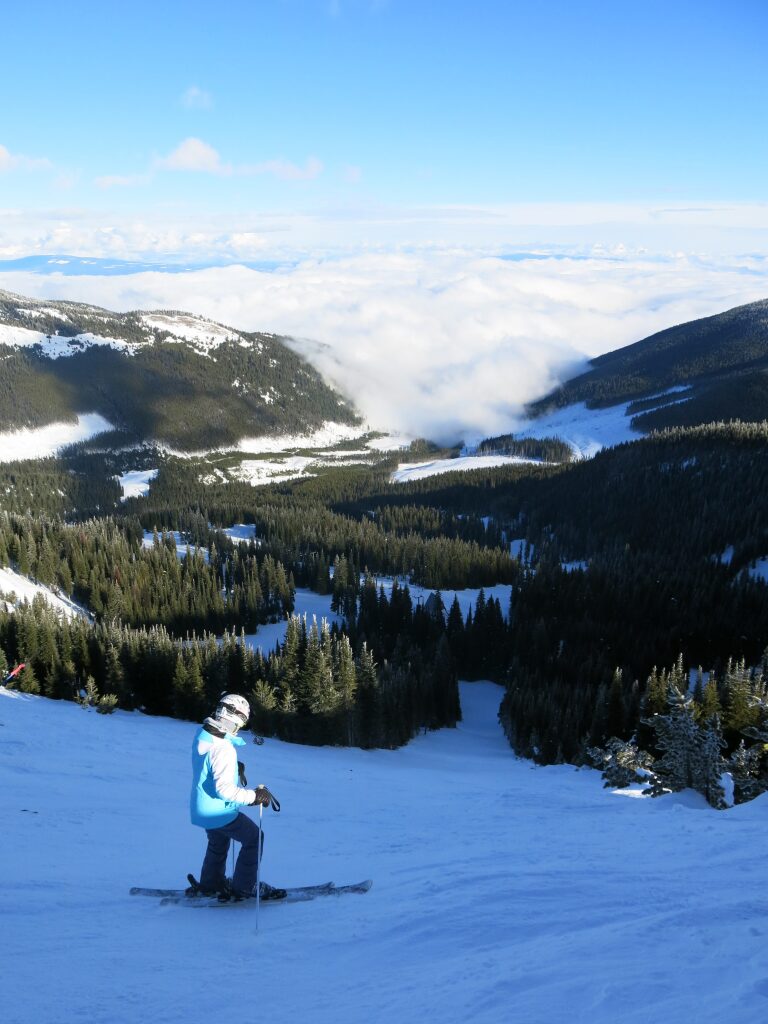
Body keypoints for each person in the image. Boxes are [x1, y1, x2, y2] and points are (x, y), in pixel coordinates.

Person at [190, 693, 284, 901]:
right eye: (241, 722)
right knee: (254, 838)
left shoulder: (203, 736)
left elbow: (209, 765)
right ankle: (245, 887)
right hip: (218, 810)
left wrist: (232, 768)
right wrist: (254, 797)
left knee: (219, 841)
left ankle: (210, 883)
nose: (240, 727)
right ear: (234, 718)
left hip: (202, 809)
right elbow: (224, 790)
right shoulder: (223, 748)